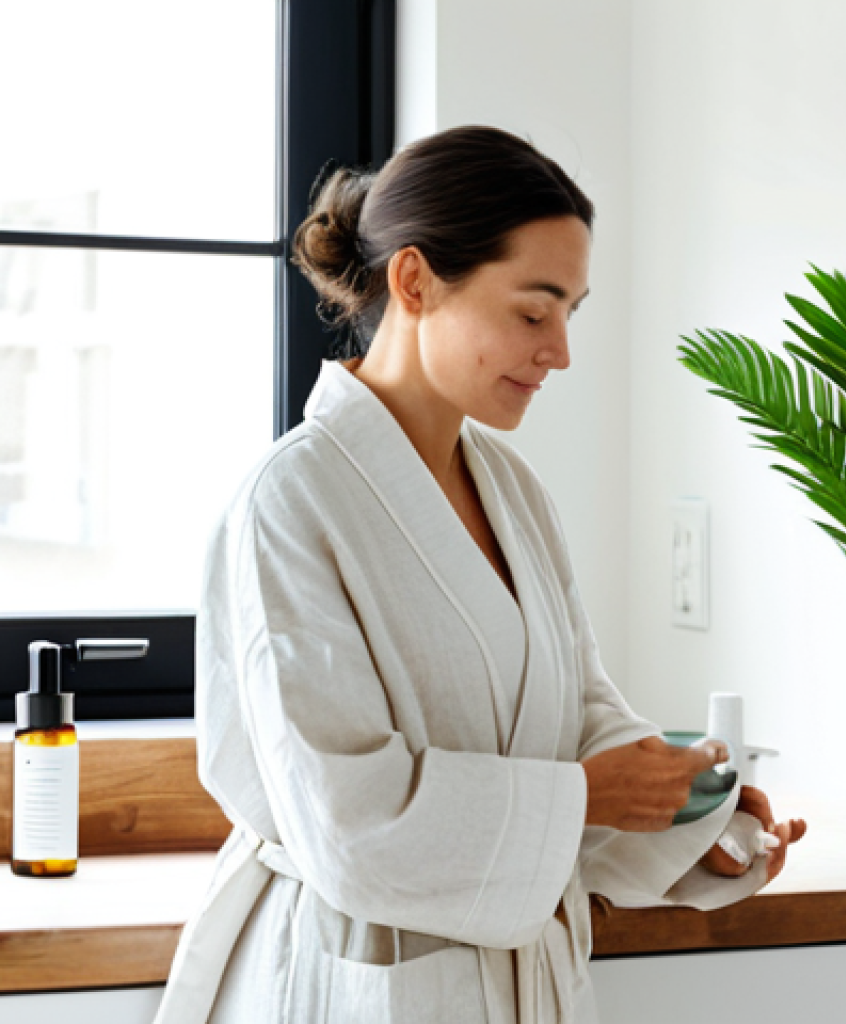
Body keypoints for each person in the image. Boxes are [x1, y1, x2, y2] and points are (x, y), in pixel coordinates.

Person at [152, 124, 807, 1024]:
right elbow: (348, 820)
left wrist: (690, 815)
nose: (561, 350)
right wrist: (589, 797)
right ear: (414, 281)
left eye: (572, 312)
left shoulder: (512, 489)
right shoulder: (290, 503)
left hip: (518, 977)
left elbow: (577, 711)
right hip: (357, 977)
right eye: (533, 312)